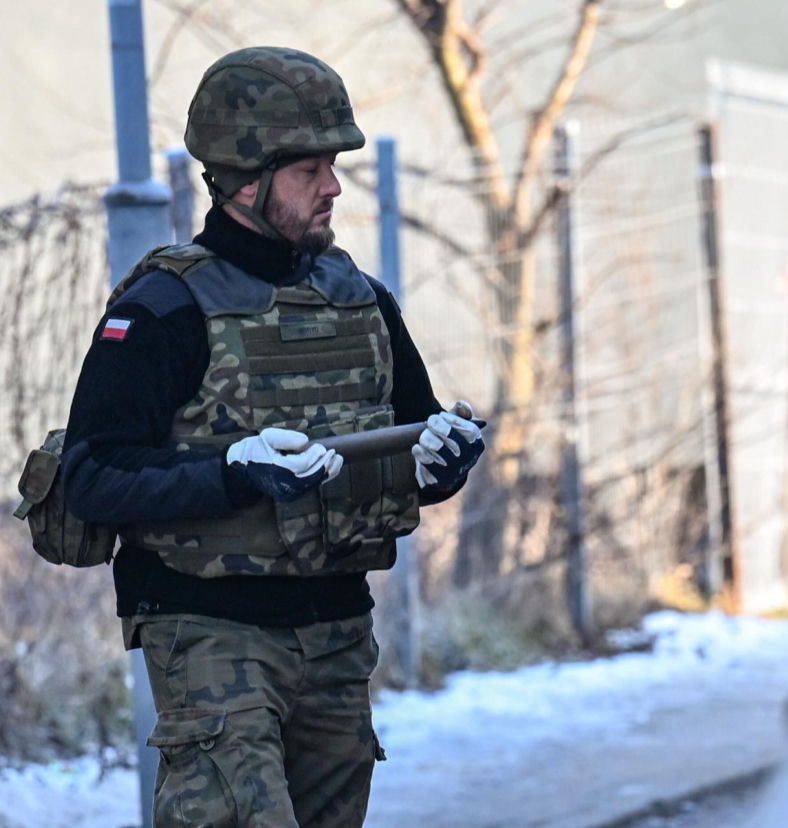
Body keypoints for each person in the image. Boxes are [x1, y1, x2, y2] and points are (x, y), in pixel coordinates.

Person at [62, 46, 484, 827]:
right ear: (243, 180)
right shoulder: (164, 310)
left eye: (333, 165)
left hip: (337, 637)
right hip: (212, 635)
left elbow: (410, 438)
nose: (333, 187)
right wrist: (233, 470)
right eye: (309, 170)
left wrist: (442, 461)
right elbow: (92, 475)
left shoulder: (359, 299)